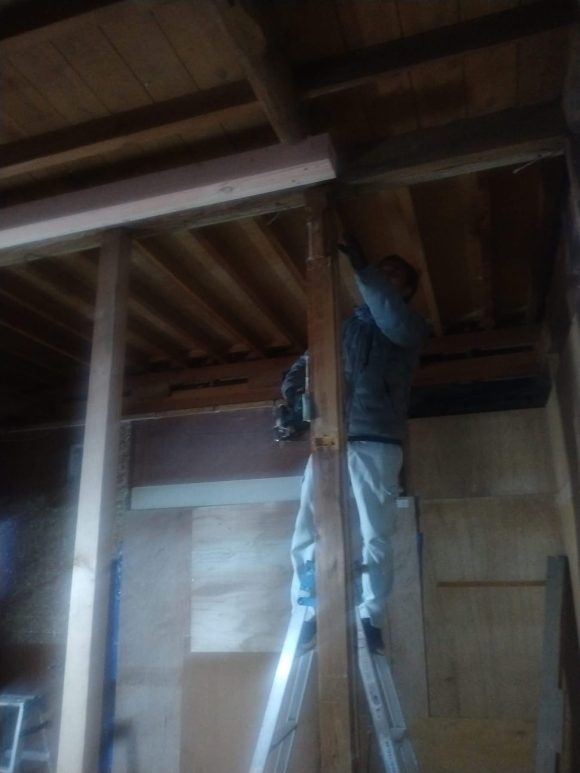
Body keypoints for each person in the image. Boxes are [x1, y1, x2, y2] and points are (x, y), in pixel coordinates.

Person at [281, 235, 428, 654]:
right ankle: (308, 612)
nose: (385, 276)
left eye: (393, 274)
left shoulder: (409, 325)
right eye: (382, 271)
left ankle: (369, 615)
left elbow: (390, 317)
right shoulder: (342, 329)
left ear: (406, 291)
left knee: (374, 534)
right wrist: (293, 398)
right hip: (329, 441)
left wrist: (364, 269)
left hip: (376, 441)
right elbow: (305, 364)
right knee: (307, 530)